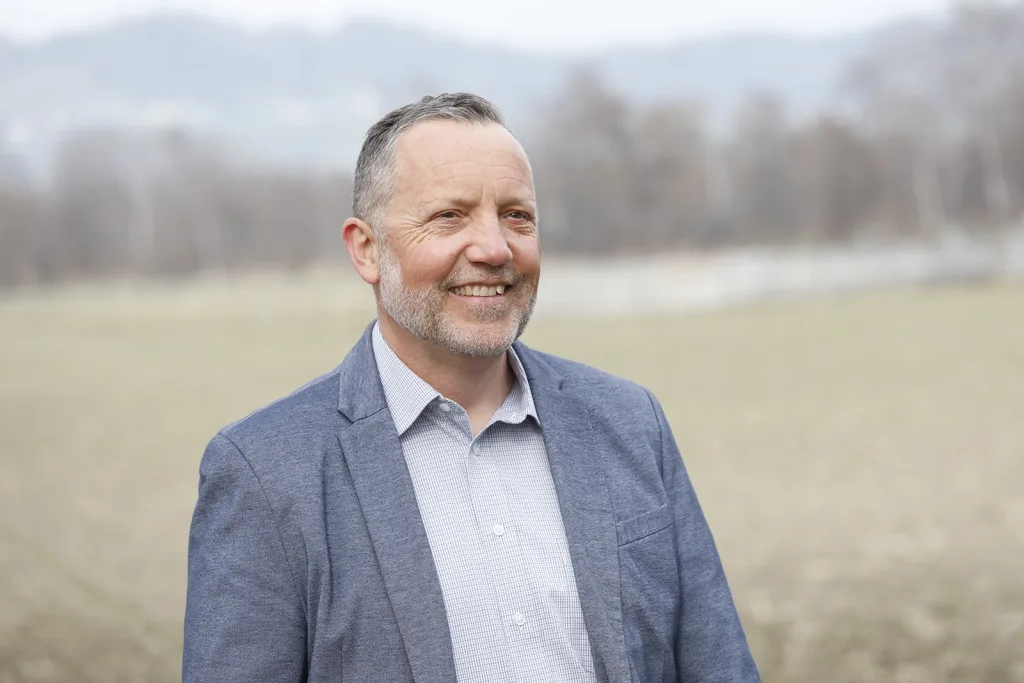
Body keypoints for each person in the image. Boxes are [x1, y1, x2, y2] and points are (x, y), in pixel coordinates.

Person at [183, 92, 760, 683]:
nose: (494, 249)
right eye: (449, 217)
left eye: (517, 216)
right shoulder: (265, 472)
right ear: (367, 249)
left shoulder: (630, 422)